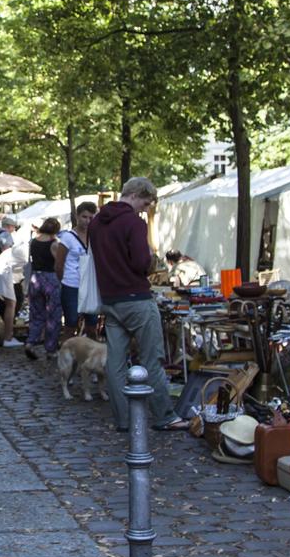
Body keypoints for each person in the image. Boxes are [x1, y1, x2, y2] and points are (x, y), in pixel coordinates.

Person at [89, 177, 179, 432]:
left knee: (115, 365)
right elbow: (141, 263)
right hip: (136, 299)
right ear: (138, 195)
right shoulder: (133, 223)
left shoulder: (96, 222)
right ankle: (164, 416)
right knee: (152, 360)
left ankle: (123, 420)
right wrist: (150, 258)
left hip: (109, 299)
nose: (146, 209)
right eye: (147, 203)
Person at [24, 218, 63, 359]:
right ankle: (51, 349)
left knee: (36, 315)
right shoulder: (54, 244)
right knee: (53, 316)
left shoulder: (33, 241)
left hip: (35, 278)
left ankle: (30, 342)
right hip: (50, 280)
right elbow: (58, 264)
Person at [59, 202, 95, 337]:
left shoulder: (94, 236)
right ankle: (66, 351)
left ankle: (91, 353)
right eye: (84, 217)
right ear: (77, 216)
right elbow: (59, 263)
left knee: (92, 322)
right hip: (71, 284)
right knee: (71, 322)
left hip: (89, 284)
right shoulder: (67, 237)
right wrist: (63, 279)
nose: (87, 221)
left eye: (91, 218)